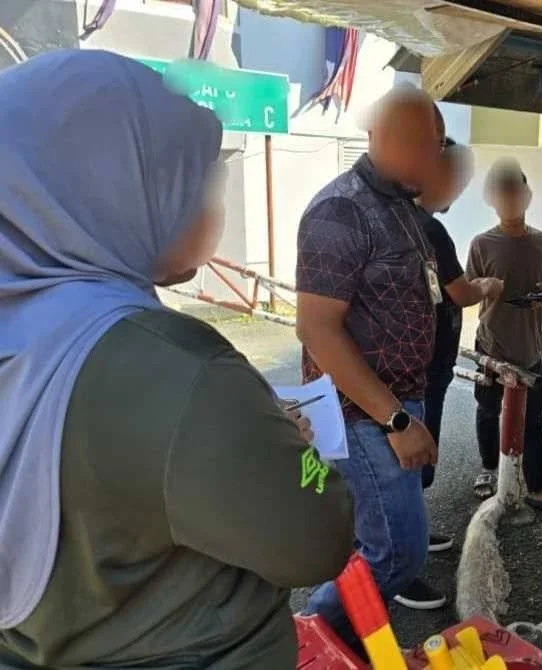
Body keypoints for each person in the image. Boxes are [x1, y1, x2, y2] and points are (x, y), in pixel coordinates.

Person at [0, 50, 354, 669]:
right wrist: (300, 453)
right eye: (188, 176)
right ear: (110, 189)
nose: (208, 203)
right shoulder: (178, 370)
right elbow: (317, 539)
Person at [296, 87, 442, 628]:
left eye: (435, 145)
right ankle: (311, 640)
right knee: (398, 553)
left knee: (372, 545)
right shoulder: (341, 209)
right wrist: (397, 419)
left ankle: (347, 648)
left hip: (389, 405)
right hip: (362, 412)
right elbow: (317, 329)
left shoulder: (399, 204)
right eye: (417, 145)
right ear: (376, 137)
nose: (430, 157)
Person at [394, 136, 505, 610]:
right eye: (456, 180)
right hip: (415, 371)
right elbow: (459, 292)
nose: (458, 192)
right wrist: (490, 284)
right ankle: (398, 570)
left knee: (412, 467)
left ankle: (412, 541)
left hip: (418, 366)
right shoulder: (427, 230)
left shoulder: (403, 220)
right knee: (405, 469)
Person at [467, 159, 542, 519]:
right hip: (492, 344)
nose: (511, 202)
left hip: (530, 348)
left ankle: (539, 487)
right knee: (488, 411)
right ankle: (489, 469)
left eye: (517, 193)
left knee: (532, 417)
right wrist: (485, 286)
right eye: (503, 195)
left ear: (527, 197)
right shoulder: (481, 243)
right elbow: (467, 290)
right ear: (493, 201)